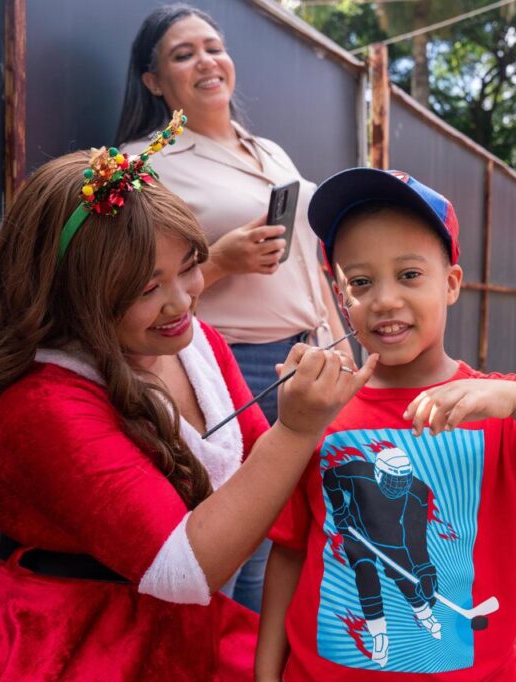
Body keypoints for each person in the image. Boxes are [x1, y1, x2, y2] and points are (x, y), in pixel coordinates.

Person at [0, 127, 376, 680]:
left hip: (169, 625)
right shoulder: (44, 407)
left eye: (189, 266)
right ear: (73, 296)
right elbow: (186, 570)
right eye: (147, 289)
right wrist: (295, 431)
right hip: (63, 643)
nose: (182, 301)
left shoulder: (195, 344)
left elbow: (256, 463)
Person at [255, 168, 516, 680]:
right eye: (361, 282)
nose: (386, 299)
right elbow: (289, 553)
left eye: (409, 274)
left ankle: (425, 618)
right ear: (342, 299)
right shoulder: (318, 410)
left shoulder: (498, 410)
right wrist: (266, 673)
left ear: (451, 284)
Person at [116, 4, 352, 612]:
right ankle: (208, 651)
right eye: (183, 54)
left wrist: (339, 343)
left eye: (213, 47)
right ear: (153, 81)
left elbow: (308, 259)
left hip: (305, 355)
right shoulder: (143, 163)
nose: (206, 62)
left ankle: (250, 653)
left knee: (281, 535)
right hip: (229, 365)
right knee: (223, 536)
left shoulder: (268, 150)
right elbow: (129, 287)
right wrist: (218, 259)